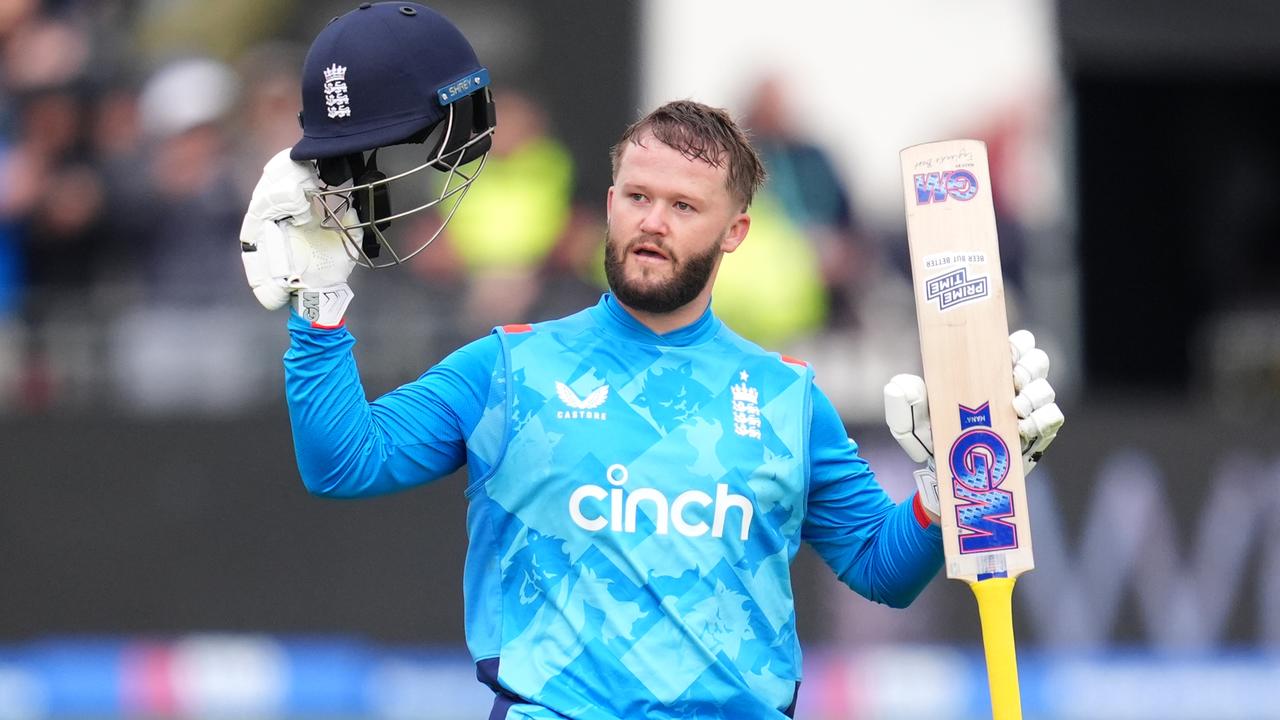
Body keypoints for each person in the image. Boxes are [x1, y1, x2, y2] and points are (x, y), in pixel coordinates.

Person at [239, 4, 1065, 717]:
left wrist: (951, 489)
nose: (653, 223)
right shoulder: (504, 370)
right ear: (608, 202)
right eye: (637, 197)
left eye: (683, 206)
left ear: (734, 231)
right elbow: (342, 462)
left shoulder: (786, 397)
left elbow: (883, 570)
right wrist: (319, 309)